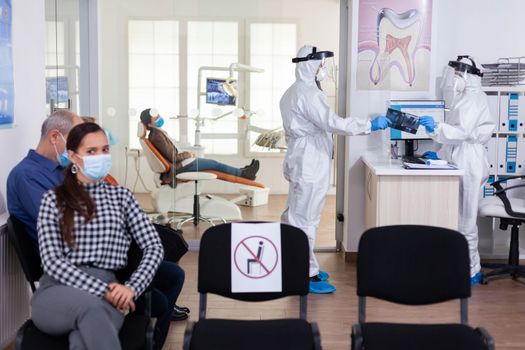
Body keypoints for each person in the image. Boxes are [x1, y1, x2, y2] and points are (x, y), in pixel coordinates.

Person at [7, 111, 187, 348]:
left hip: (102, 268)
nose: (97, 155)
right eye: (86, 146)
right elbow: (71, 230)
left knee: (172, 273)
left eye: (103, 149)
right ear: (56, 138)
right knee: (158, 299)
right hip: (67, 272)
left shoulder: (67, 172)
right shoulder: (28, 176)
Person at [31, 122, 164, 349]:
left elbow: (154, 247)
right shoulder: (53, 199)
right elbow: (52, 262)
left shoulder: (122, 197)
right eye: (91, 151)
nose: (100, 156)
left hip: (112, 289)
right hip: (56, 290)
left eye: (104, 150)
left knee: (82, 341)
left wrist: (130, 288)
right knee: (91, 309)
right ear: (73, 156)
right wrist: (104, 292)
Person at [280, 45, 390, 294]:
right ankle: (304, 274)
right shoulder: (308, 94)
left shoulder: (292, 92)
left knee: (298, 215)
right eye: (321, 64)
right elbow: (334, 123)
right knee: (305, 219)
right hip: (309, 160)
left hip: (303, 157)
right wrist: (370, 124)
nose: (324, 68)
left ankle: (299, 265)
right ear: (309, 65)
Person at [419, 56, 496, 285]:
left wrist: (436, 127)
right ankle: (459, 264)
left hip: (470, 162)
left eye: (459, 74)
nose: (455, 78)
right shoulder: (464, 98)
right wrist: (440, 154)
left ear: (469, 77)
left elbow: (462, 132)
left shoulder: (474, 98)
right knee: (457, 216)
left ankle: (472, 270)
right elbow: (454, 136)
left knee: (466, 220)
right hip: (461, 158)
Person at [139, 108, 260, 187]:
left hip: (182, 164)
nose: (159, 118)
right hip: (180, 167)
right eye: (156, 118)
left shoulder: (157, 133)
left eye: (158, 115)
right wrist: (189, 154)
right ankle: (244, 174)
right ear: (149, 123)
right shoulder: (157, 136)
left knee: (215, 164)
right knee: (215, 164)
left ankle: (243, 171)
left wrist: (187, 154)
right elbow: (173, 156)